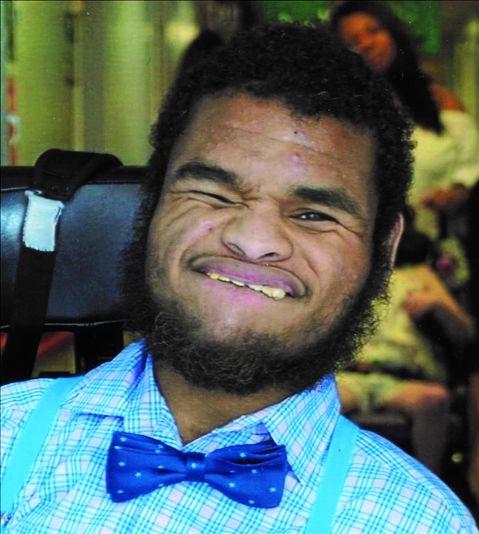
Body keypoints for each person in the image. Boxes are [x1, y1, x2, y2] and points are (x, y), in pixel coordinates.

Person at [1, 23, 477, 533]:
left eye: (314, 214)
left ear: (383, 249)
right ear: (152, 205)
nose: (252, 241)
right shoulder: (8, 432)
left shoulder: (420, 521)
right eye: (214, 193)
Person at [330, 0, 479, 243]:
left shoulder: (439, 102)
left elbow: (468, 166)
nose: (366, 44)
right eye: (352, 41)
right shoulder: (340, 112)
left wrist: (456, 194)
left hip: (430, 245)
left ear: (393, 32)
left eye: (373, 31)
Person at [337, 216, 474, 474]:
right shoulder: (353, 274)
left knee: (434, 398)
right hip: (352, 375)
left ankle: (427, 483)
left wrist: (437, 304)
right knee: (318, 399)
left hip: (402, 378)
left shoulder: (421, 275)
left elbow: (465, 332)